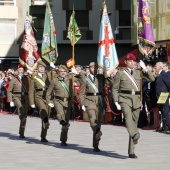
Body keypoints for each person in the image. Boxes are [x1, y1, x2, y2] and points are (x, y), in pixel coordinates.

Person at [112, 53, 154, 158]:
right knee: (128, 118)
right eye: (129, 61)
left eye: (133, 61)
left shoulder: (139, 72)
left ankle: (131, 151)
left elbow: (152, 79)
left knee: (134, 124)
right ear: (125, 62)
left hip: (135, 100)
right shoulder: (121, 73)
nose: (131, 63)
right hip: (124, 99)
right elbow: (115, 88)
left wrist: (145, 69)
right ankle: (135, 135)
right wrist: (116, 101)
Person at [79, 62, 106, 152]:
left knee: (98, 123)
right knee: (92, 119)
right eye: (92, 67)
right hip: (89, 101)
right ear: (89, 68)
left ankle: (96, 145)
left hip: (99, 101)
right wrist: (82, 104)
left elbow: (110, 81)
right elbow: (82, 92)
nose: (94, 68)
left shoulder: (101, 77)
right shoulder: (85, 79)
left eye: (96, 67)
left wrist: (106, 70)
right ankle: (97, 131)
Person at [46, 65, 72, 146]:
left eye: (64, 71)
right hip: (58, 100)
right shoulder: (55, 80)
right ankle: (60, 120)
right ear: (58, 72)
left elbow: (83, 79)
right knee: (60, 114)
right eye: (61, 72)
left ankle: (63, 140)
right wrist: (48, 101)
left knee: (66, 122)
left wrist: (77, 72)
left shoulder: (70, 78)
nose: (63, 73)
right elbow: (48, 92)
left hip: (67, 101)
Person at [29, 60, 51, 142]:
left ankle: (43, 136)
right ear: (37, 68)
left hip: (47, 98)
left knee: (47, 116)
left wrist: (53, 67)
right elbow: (31, 90)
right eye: (40, 67)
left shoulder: (48, 75)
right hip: (38, 96)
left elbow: (56, 74)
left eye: (43, 67)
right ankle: (45, 122)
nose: (42, 68)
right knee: (43, 111)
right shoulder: (34, 77)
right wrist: (31, 102)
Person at [7, 64, 29, 138]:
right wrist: (10, 101)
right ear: (17, 70)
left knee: (24, 116)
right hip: (16, 96)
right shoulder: (14, 79)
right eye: (20, 70)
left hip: (25, 97)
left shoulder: (26, 78)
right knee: (20, 108)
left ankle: (21, 133)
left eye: (22, 70)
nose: (21, 71)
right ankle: (22, 118)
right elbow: (9, 90)